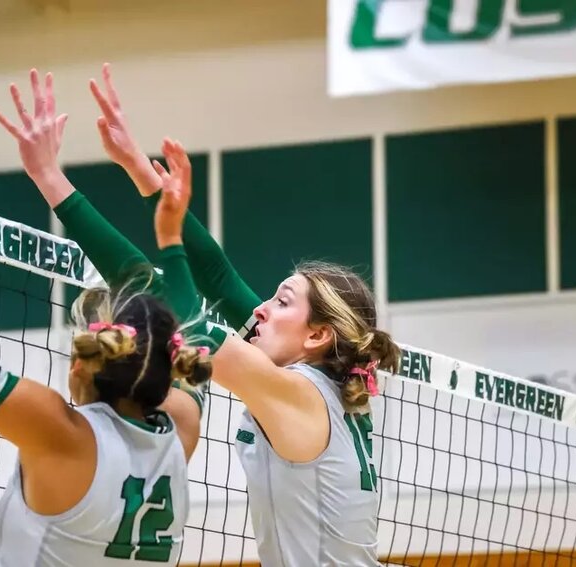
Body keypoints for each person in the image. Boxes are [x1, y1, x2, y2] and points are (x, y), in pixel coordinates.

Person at [85, 64, 403, 566]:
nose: (258, 307)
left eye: (281, 301)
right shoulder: (314, 383)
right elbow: (216, 273)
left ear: (318, 335)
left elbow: (175, 307)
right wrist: (139, 169)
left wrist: (52, 183)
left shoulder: (297, 390)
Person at [0, 176, 210, 566]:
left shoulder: (59, 430)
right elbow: (192, 324)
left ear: (81, 363)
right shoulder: (180, 429)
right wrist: (171, 243)